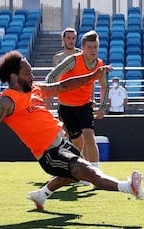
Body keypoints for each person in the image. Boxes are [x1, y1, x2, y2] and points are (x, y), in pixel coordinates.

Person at [0, 51, 144, 211]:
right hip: (48, 152)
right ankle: (128, 187)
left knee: (71, 175)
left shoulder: (36, 88)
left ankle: (41, 195)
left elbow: (64, 85)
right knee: (87, 171)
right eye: (27, 73)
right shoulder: (6, 101)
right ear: (13, 77)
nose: (32, 76)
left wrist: (93, 76)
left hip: (62, 142)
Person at [45, 30, 108, 173]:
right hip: (66, 108)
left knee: (89, 135)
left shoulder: (100, 65)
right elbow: (51, 76)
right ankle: (77, 170)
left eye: (95, 47)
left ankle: (96, 174)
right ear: (83, 48)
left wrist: (102, 106)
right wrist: (49, 97)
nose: (93, 50)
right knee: (77, 143)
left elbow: (105, 86)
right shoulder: (73, 60)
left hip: (85, 106)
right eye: (90, 47)